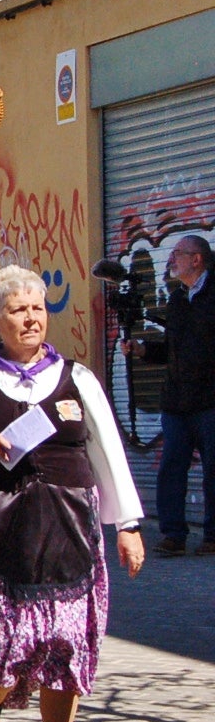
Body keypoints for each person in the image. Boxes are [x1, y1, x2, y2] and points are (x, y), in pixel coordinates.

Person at [0, 264, 146, 722]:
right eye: (18, 309)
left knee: (66, 644)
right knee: (7, 640)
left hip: (72, 528)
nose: (31, 318)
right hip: (6, 529)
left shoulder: (76, 377)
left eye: (37, 307)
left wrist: (128, 525)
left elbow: (106, 450)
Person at [122, 234, 215, 555]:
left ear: (197, 259)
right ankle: (173, 535)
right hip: (177, 401)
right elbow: (175, 350)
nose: (171, 259)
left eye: (178, 253)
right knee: (171, 469)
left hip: (209, 400)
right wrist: (144, 349)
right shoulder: (178, 299)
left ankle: (212, 537)